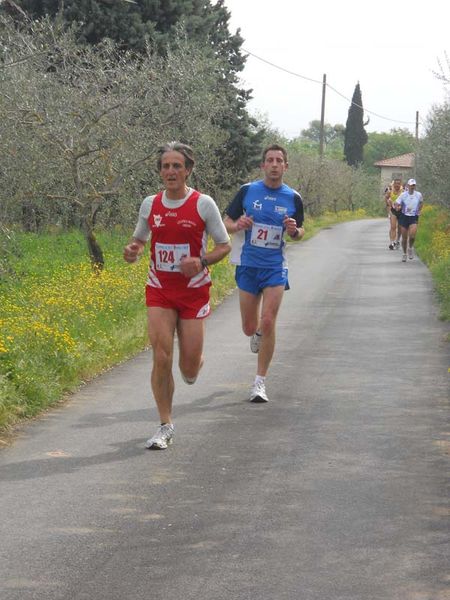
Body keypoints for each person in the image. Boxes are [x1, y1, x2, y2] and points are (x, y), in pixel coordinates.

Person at [124, 142, 231, 449]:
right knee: (160, 355)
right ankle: (165, 424)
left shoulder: (203, 204)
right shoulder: (150, 204)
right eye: (165, 166)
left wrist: (202, 261)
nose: (170, 171)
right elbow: (139, 240)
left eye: (176, 166)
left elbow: (224, 245)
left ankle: (194, 361)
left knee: (189, 367)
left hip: (194, 291)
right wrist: (133, 251)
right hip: (160, 288)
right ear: (160, 171)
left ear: (188, 170)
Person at [223, 144, 304, 403]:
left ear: (286, 166)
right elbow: (225, 221)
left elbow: (300, 232)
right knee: (250, 327)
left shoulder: (293, 198)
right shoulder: (248, 191)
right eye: (270, 160)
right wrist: (238, 225)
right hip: (248, 266)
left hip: (274, 268)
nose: (274, 164)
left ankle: (260, 382)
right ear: (263, 165)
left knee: (268, 320)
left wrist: (293, 231)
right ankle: (256, 333)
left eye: (279, 160)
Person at [393, 178, 423, 263]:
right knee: (404, 238)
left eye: (413, 185)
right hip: (404, 217)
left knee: (412, 236)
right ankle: (404, 253)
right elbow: (396, 203)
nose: (412, 187)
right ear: (408, 186)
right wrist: (397, 207)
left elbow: (421, 202)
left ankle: (410, 248)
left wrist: (419, 210)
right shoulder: (403, 195)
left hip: (413, 216)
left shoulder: (418, 195)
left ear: (415, 186)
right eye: (411, 185)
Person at [384, 178, 403, 250]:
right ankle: (392, 242)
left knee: (400, 227)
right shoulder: (390, 191)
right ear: (393, 184)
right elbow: (386, 198)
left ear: (400, 184)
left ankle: (397, 240)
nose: (397, 185)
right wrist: (388, 203)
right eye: (396, 184)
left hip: (401, 211)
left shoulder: (403, 192)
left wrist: (402, 206)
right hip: (393, 211)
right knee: (393, 227)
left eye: (398, 184)